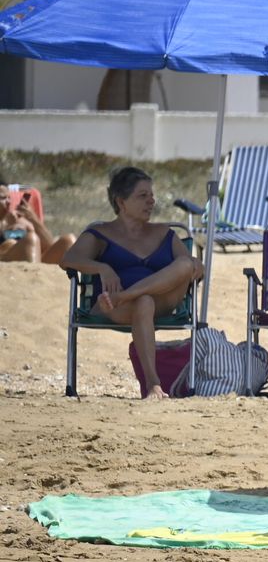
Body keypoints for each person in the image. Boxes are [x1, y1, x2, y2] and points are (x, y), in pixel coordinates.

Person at [59, 166, 205, 400]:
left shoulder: (164, 233)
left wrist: (198, 267)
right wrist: (102, 267)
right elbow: (69, 259)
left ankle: (125, 295)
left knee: (185, 265)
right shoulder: (101, 233)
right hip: (116, 308)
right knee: (144, 302)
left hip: (155, 301)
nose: (152, 201)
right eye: (143, 196)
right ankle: (153, 385)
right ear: (121, 202)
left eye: (152, 195)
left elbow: (191, 267)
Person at [0, 182, 74, 264]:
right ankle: (33, 274)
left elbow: (49, 244)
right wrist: (5, 227)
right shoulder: (10, 222)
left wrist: (33, 219)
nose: (9, 202)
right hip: (6, 262)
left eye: (9, 198)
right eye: (3, 198)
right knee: (30, 239)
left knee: (68, 241)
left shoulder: (18, 220)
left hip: (32, 260)